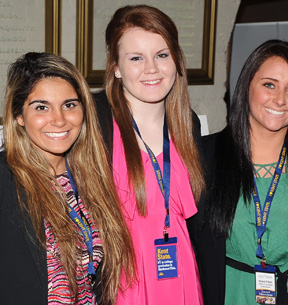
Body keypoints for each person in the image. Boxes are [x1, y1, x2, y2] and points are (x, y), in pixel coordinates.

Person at [0, 52, 134, 305]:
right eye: (41, 107)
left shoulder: (92, 178)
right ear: (19, 116)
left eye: (70, 104)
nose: (59, 119)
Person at [193, 40, 288, 305]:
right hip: (230, 295)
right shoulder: (206, 157)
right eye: (269, 85)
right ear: (247, 87)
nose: (279, 99)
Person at [93, 5, 205, 304]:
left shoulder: (187, 124)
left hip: (180, 277)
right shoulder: (94, 121)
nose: (152, 68)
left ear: (177, 60)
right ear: (116, 66)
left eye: (162, 55)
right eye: (136, 58)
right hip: (120, 282)